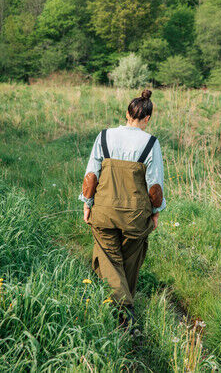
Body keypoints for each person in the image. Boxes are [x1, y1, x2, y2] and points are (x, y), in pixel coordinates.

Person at [78, 89, 166, 331]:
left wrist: (87, 204)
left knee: (108, 260)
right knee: (129, 262)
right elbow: (154, 184)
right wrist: (156, 210)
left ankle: (116, 311)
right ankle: (125, 313)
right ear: (147, 118)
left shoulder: (105, 136)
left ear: (127, 114)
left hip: (104, 211)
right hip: (136, 217)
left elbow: (91, 174)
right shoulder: (150, 142)